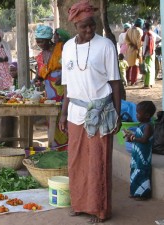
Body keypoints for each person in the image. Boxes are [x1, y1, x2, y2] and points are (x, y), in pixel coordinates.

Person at [59, 1, 121, 223]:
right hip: (76, 111)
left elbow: (115, 82)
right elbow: (67, 85)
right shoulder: (67, 48)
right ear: (75, 24)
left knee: (97, 162)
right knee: (76, 160)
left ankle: (99, 209)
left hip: (101, 112)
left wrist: (118, 113)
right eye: (84, 26)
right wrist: (63, 113)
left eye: (92, 25)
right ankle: (79, 203)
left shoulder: (105, 46)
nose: (89, 30)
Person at [34, 24, 68, 149]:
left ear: (49, 39)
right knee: (52, 118)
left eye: (42, 41)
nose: (39, 44)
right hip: (50, 92)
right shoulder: (40, 56)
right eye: (37, 41)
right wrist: (37, 79)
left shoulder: (61, 48)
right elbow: (40, 74)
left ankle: (67, 150)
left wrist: (64, 75)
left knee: (64, 117)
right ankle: (55, 149)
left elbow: (71, 65)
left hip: (63, 90)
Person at [124, 101, 156, 201]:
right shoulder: (141, 124)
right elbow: (139, 137)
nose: (136, 115)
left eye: (138, 113)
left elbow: (144, 140)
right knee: (135, 171)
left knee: (142, 173)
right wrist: (130, 135)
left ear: (147, 115)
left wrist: (133, 138)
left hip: (144, 156)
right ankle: (135, 192)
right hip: (137, 154)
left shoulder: (148, 126)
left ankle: (144, 194)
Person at [141, 22, 162, 89]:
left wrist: (144, 54)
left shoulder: (147, 35)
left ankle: (147, 84)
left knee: (147, 69)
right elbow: (160, 39)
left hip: (147, 54)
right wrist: (155, 45)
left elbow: (147, 46)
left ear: (146, 28)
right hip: (152, 53)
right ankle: (151, 83)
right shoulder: (153, 34)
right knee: (152, 68)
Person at [125, 18, 144, 86]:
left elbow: (126, 39)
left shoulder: (129, 30)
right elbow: (140, 42)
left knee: (129, 66)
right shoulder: (140, 31)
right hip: (136, 50)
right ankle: (133, 81)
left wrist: (131, 44)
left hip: (130, 49)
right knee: (135, 66)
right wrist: (138, 49)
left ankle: (127, 80)